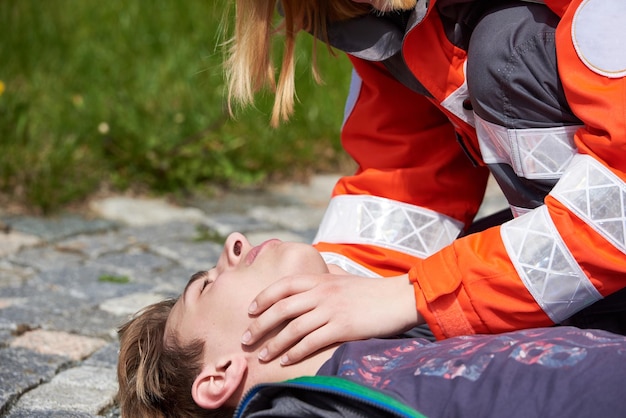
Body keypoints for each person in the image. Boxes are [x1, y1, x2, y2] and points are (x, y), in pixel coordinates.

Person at [221, 0, 626, 365]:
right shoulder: (380, 21)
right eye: (202, 286)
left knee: (508, 51)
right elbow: (405, 183)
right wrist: (326, 286)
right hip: (592, 251)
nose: (233, 243)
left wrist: (413, 296)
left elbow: (618, 200)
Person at [116, 232, 626, 417]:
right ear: (219, 375)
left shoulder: (405, 323)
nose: (233, 242)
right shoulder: (297, 409)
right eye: (206, 284)